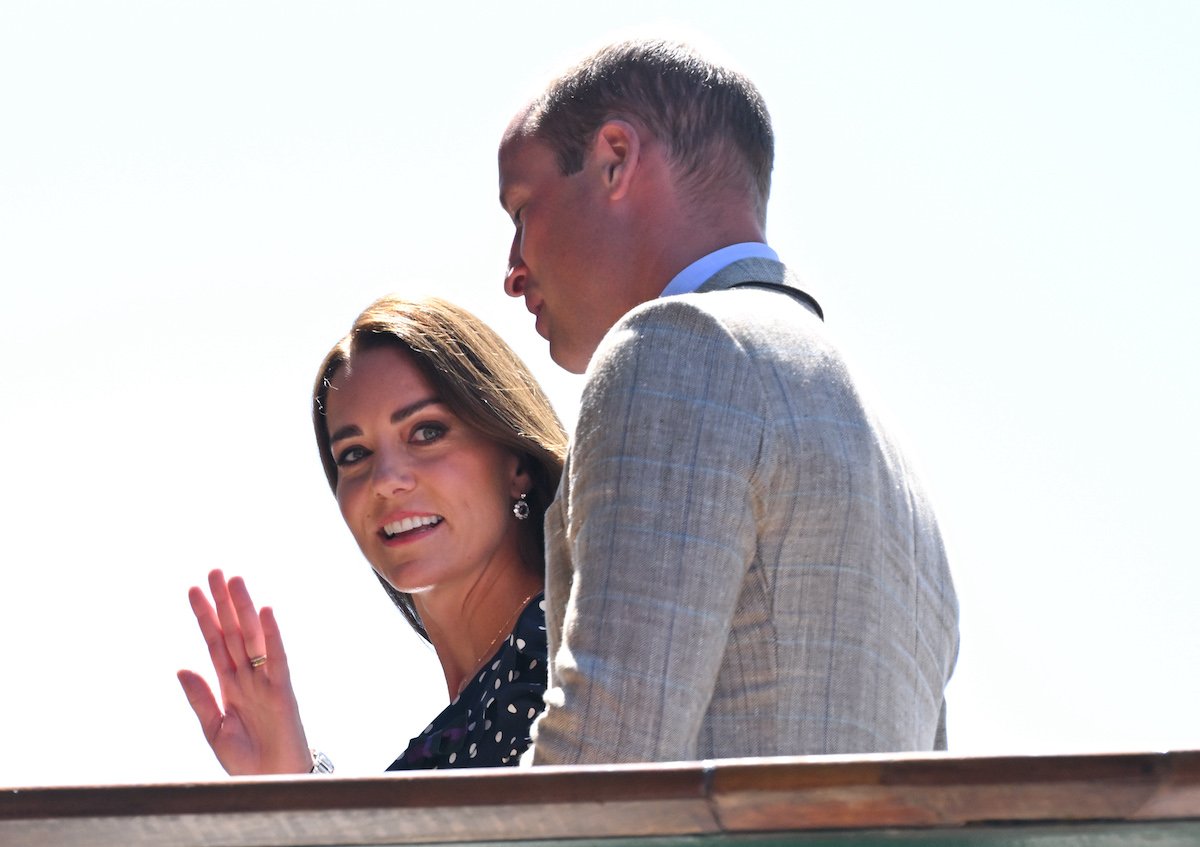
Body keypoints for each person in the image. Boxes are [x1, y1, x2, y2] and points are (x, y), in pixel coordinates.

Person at [497, 38, 960, 765]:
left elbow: (602, 760)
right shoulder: (897, 469)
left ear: (615, 157)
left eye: (522, 209)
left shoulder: (677, 349)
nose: (513, 269)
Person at [178, 295, 567, 773]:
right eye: (354, 454)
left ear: (516, 465)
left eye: (426, 432)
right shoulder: (463, 721)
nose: (385, 480)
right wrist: (288, 784)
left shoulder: (567, 667)